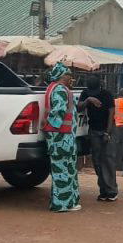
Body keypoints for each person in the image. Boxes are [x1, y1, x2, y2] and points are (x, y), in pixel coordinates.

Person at [42, 62, 81, 213]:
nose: (70, 77)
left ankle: (70, 202)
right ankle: (62, 204)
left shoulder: (59, 89)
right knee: (62, 170)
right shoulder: (59, 90)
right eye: (68, 74)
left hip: (64, 136)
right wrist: (51, 128)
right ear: (61, 75)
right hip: (61, 137)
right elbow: (58, 112)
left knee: (67, 169)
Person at [77, 74, 117, 202]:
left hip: (106, 130)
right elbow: (79, 107)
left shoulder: (106, 94)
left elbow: (111, 113)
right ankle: (103, 190)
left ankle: (112, 191)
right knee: (97, 161)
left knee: (108, 161)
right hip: (93, 131)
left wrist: (108, 133)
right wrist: (88, 99)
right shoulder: (86, 93)